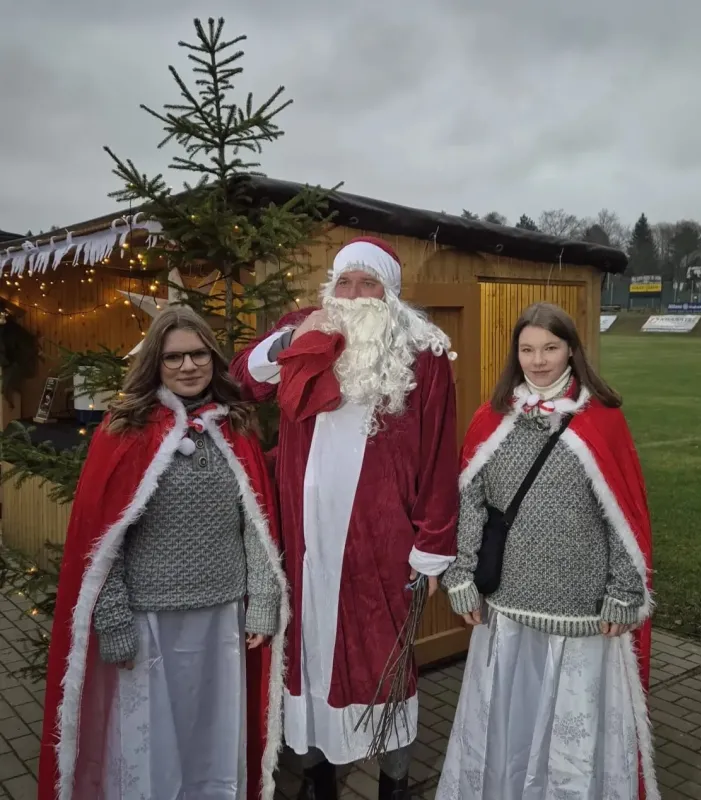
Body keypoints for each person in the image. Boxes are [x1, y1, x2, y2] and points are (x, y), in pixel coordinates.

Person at [230, 237, 459, 799]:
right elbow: (243, 379)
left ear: (391, 293)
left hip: (382, 547)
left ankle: (394, 781)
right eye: (345, 283)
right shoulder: (304, 329)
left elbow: (437, 457)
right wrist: (290, 341)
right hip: (305, 543)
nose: (354, 295)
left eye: (369, 283)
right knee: (308, 662)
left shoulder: (423, 352)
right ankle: (319, 777)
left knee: (387, 666)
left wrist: (431, 546)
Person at [38, 306, 289, 800]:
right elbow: (102, 540)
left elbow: (256, 525)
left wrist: (262, 599)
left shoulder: (235, 425)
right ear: (156, 362)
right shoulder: (123, 429)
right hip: (149, 619)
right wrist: (110, 617)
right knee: (148, 742)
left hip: (222, 618)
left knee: (213, 734)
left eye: (199, 354)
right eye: (174, 357)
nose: (188, 366)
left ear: (213, 360)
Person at [437, 302, 658, 800]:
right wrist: (460, 575)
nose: (538, 360)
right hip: (508, 611)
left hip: (581, 611)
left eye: (550, 348)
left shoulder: (601, 421)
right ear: (515, 354)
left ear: (572, 351)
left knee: (570, 737)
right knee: (509, 725)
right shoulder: (492, 418)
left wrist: (625, 590)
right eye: (528, 349)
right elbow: (471, 502)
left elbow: (623, 517)